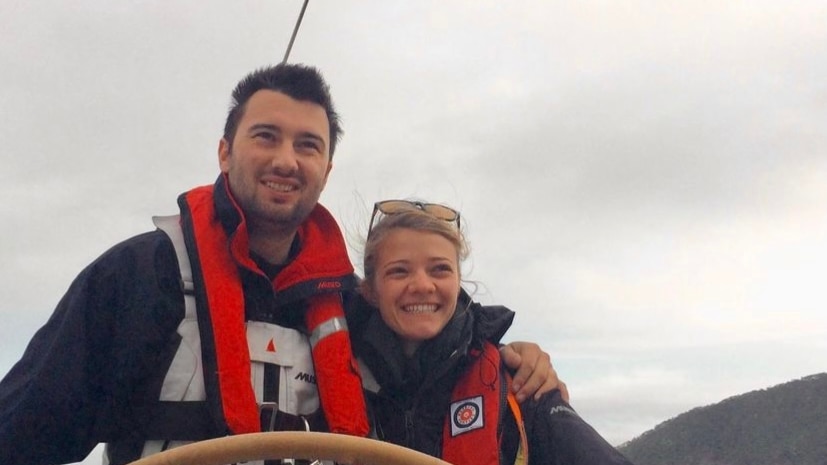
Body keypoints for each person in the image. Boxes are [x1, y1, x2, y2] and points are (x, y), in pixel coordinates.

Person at [0, 64, 562, 465]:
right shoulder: (137, 279)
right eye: (266, 137)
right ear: (225, 151)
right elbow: (25, 430)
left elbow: (436, 345)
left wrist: (522, 359)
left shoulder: (350, 302)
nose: (286, 160)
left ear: (327, 168)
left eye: (308, 145)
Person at [350, 200, 634, 464]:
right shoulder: (330, 375)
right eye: (399, 272)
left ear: (459, 282)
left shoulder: (519, 382)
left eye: (440, 270)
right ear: (370, 290)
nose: (423, 285)